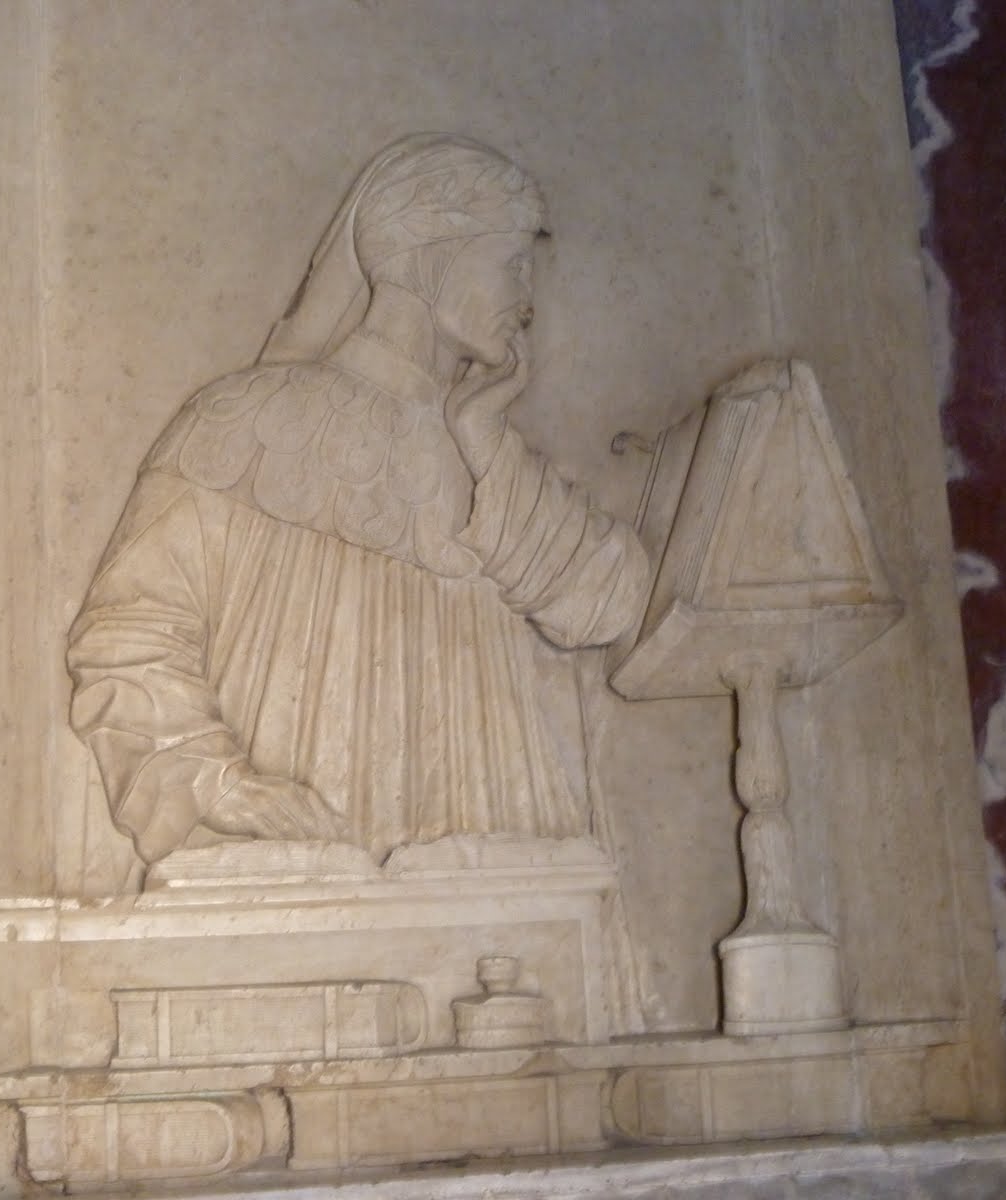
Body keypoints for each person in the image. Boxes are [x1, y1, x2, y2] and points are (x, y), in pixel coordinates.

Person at [68, 134, 649, 869]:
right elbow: (129, 635)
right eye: (511, 264)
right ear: (430, 260)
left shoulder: (487, 452)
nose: (528, 301)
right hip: (309, 874)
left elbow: (606, 605)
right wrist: (217, 782)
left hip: (500, 868)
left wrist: (485, 444)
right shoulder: (245, 422)